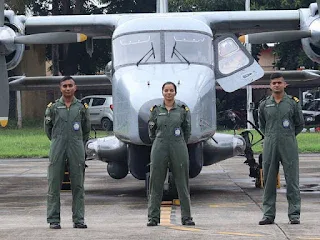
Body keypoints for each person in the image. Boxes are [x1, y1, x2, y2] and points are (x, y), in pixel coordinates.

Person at [44, 76, 91, 229]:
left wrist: (77, 142)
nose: (68, 88)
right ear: (60, 88)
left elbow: (86, 129)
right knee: (54, 183)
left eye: (70, 85)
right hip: (57, 146)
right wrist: (58, 140)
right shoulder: (53, 107)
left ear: (75, 87)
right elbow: (48, 129)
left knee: (78, 185)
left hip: (76, 147)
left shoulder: (81, 107)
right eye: (65, 86)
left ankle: (79, 219)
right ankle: (54, 219)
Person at [258, 73, 304, 225]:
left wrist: (288, 135)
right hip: (270, 143)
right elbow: (262, 124)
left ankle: (294, 215)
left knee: (292, 180)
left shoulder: (292, 103)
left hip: (288, 144)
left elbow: (299, 124)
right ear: (270, 86)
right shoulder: (265, 104)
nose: (276, 85)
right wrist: (270, 136)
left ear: (285, 85)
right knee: (269, 181)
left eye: (279, 83)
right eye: (274, 83)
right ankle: (268, 215)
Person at [147, 81, 195, 227]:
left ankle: (187, 217)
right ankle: (153, 217)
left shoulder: (182, 110)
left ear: (175, 92)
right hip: (159, 146)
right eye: (166, 90)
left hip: (178, 146)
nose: (168, 93)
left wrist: (179, 142)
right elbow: (151, 131)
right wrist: (160, 141)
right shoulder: (155, 110)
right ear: (162, 92)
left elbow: (187, 130)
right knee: (156, 183)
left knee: (182, 183)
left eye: (171, 90)